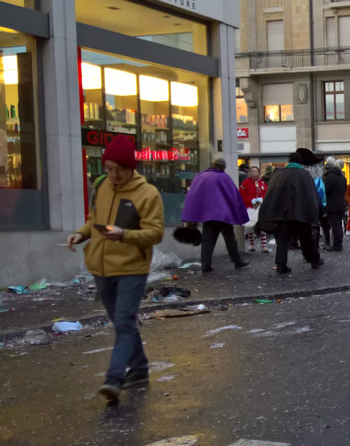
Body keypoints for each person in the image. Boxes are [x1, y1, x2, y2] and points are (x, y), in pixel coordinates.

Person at [65, 135, 164, 403]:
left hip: (132, 268)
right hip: (101, 267)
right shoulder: (102, 186)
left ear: (131, 167)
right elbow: (93, 220)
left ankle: (113, 379)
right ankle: (139, 368)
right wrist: (81, 234)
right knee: (123, 323)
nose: (113, 175)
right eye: (109, 168)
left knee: (123, 321)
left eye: (119, 169)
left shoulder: (148, 194)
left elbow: (155, 233)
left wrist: (124, 235)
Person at [258, 148, 325, 274]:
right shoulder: (304, 175)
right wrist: (317, 211)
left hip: (283, 214)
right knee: (306, 238)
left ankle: (281, 265)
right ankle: (314, 260)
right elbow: (311, 195)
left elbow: (272, 194)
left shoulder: (279, 174)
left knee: (282, 239)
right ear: (300, 162)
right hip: (301, 213)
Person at [181, 157, 250, 273]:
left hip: (208, 215)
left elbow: (193, 195)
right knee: (230, 239)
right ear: (223, 167)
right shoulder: (224, 178)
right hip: (223, 215)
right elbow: (233, 196)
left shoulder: (201, 177)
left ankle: (205, 265)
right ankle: (237, 261)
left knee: (208, 240)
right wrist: (238, 213)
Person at [240, 166, 269, 252]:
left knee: (263, 226)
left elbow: (266, 193)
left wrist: (262, 199)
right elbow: (241, 194)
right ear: (250, 173)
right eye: (252, 171)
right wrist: (250, 200)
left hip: (260, 208)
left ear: (258, 173)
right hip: (250, 208)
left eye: (256, 171)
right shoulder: (245, 183)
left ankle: (264, 246)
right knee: (250, 226)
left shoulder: (262, 183)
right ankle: (251, 245)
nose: (254, 173)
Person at [321, 158, 347, 251]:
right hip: (341, 204)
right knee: (339, 224)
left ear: (327, 169)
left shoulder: (330, 177)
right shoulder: (342, 177)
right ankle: (339, 242)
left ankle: (337, 244)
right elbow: (345, 189)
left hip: (333, 205)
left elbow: (325, 190)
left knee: (335, 224)